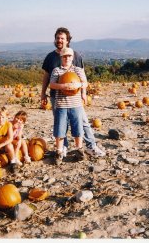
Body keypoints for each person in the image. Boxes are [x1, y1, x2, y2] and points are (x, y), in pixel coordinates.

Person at [40, 27, 105, 157]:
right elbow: (46, 77)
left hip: (74, 98)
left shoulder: (75, 55)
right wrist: (43, 93)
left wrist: (83, 93)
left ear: (68, 40)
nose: (59, 40)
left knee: (83, 122)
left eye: (62, 38)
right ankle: (62, 149)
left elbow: (82, 76)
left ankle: (91, 147)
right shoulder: (50, 57)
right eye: (58, 38)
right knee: (60, 123)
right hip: (57, 97)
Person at [49, 47, 88, 165]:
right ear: (61, 57)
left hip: (76, 105)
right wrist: (63, 86)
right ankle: (59, 151)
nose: (67, 58)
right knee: (60, 128)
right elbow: (52, 84)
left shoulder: (78, 70)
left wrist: (81, 89)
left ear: (72, 57)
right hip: (61, 104)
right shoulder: (57, 70)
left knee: (78, 127)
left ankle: (78, 149)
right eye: (64, 56)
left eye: (69, 56)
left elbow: (85, 83)